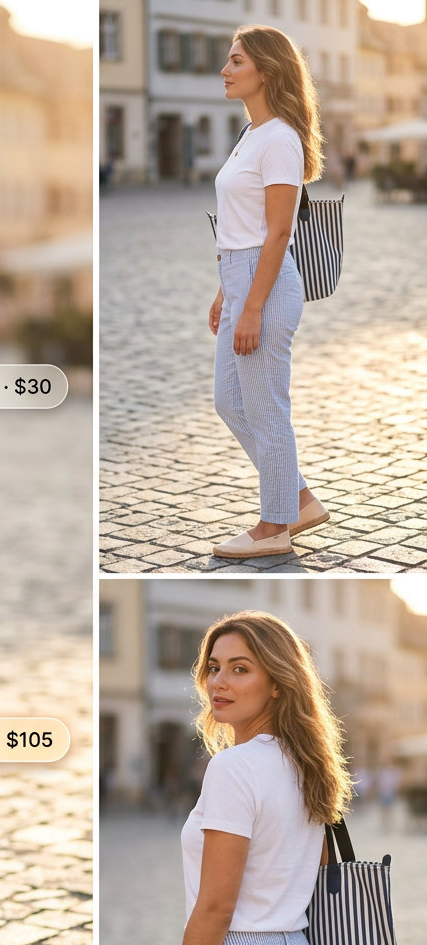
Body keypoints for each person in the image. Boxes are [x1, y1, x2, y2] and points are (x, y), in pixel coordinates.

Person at [143, 611, 354, 945]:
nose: (220, 682)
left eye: (241, 669)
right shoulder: (310, 767)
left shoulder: (234, 768)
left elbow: (216, 907)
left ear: (278, 683)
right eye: (214, 667)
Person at [210, 26, 329, 559]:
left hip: (267, 282)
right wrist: (225, 291)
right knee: (230, 401)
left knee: (266, 409)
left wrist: (253, 305)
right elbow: (243, 224)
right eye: (228, 60)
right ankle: (298, 499)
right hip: (239, 277)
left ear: (267, 70)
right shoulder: (251, 134)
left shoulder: (280, 138)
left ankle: (274, 526)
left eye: (237, 61)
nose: (225, 70)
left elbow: (278, 232)